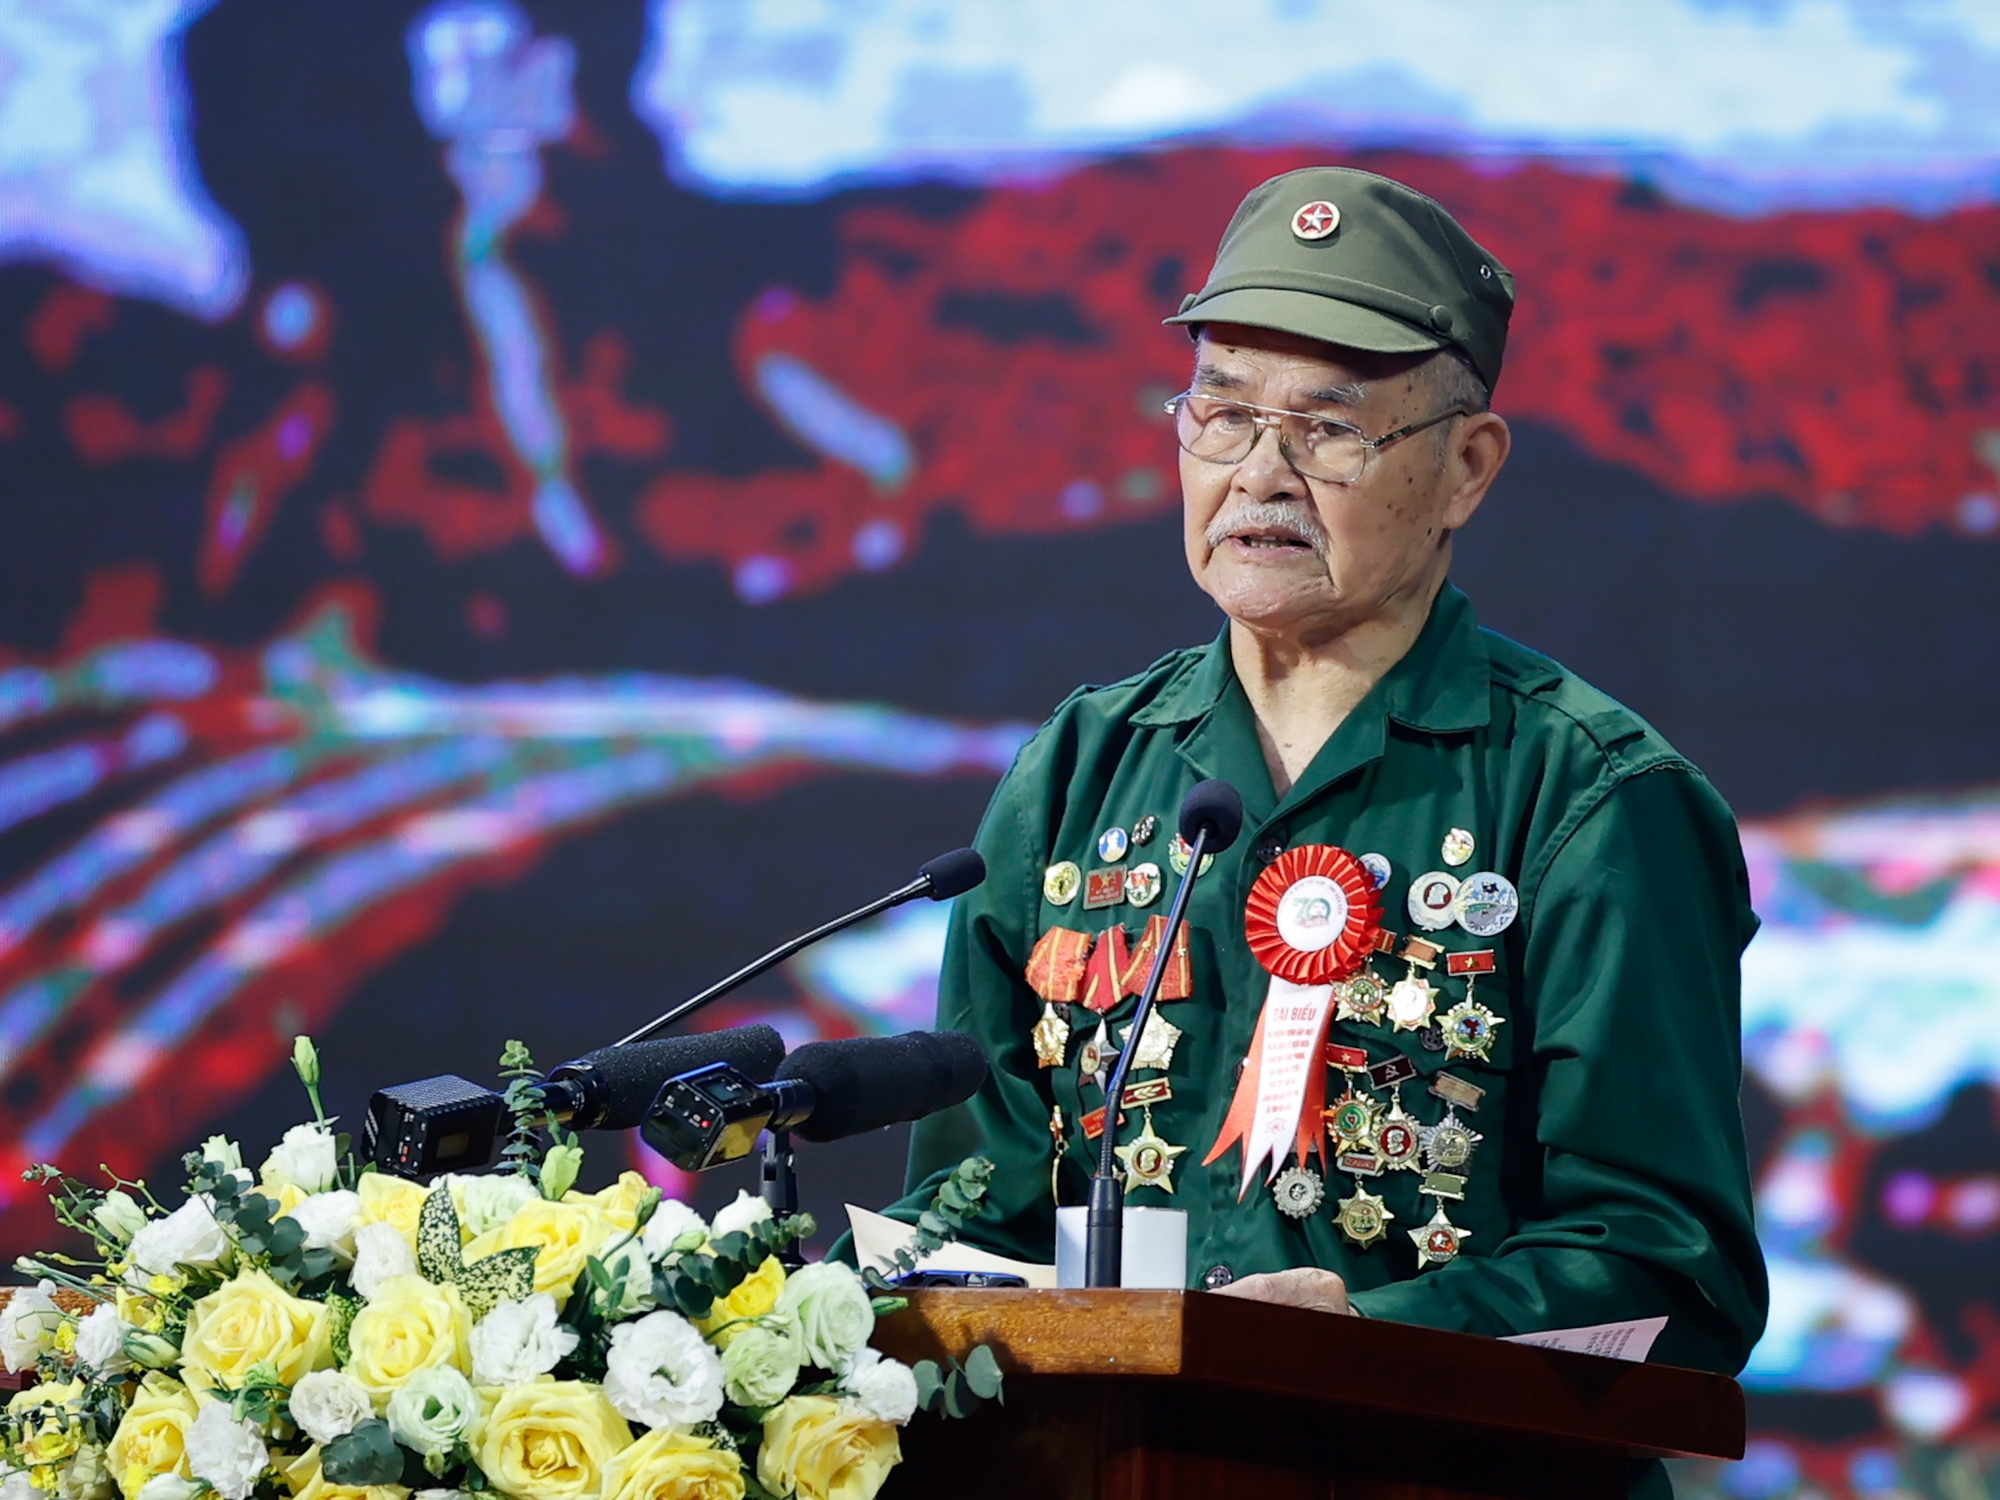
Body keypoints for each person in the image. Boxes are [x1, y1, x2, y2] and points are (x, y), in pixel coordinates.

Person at [877, 166, 1767, 1487]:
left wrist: (1373, 1336)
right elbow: (982, 1203)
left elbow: (1669, 1277)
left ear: (1467, 467)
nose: (1260, 475)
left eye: (1329, 428)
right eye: (1222, 415)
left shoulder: (1590, 796)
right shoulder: (1079, 770)